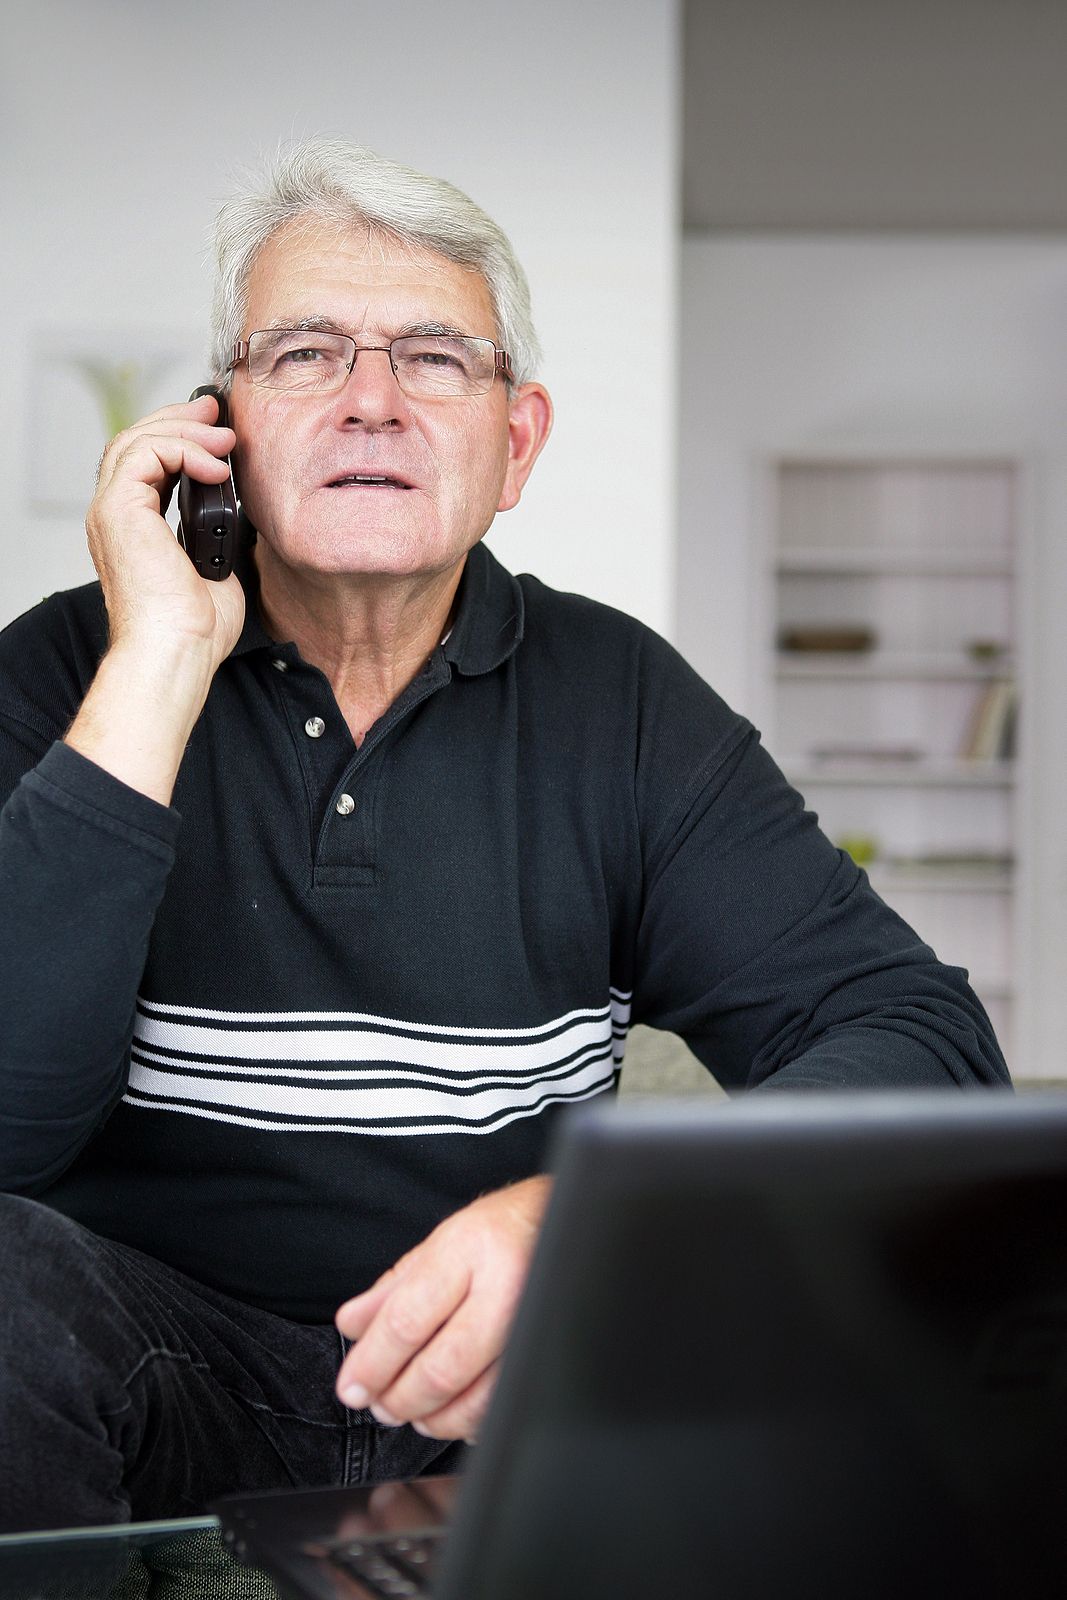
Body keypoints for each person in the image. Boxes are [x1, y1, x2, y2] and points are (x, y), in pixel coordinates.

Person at [0, 139, 1009, 1534]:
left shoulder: (625, 703)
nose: (370, 404)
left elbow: (924, 1039)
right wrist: (161, 657)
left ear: (514, 441)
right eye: (305, 356)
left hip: (518, 1381)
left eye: (432, 358)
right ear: (216, 426)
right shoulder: (72, 671)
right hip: (161, 1374)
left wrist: (588, 1233)